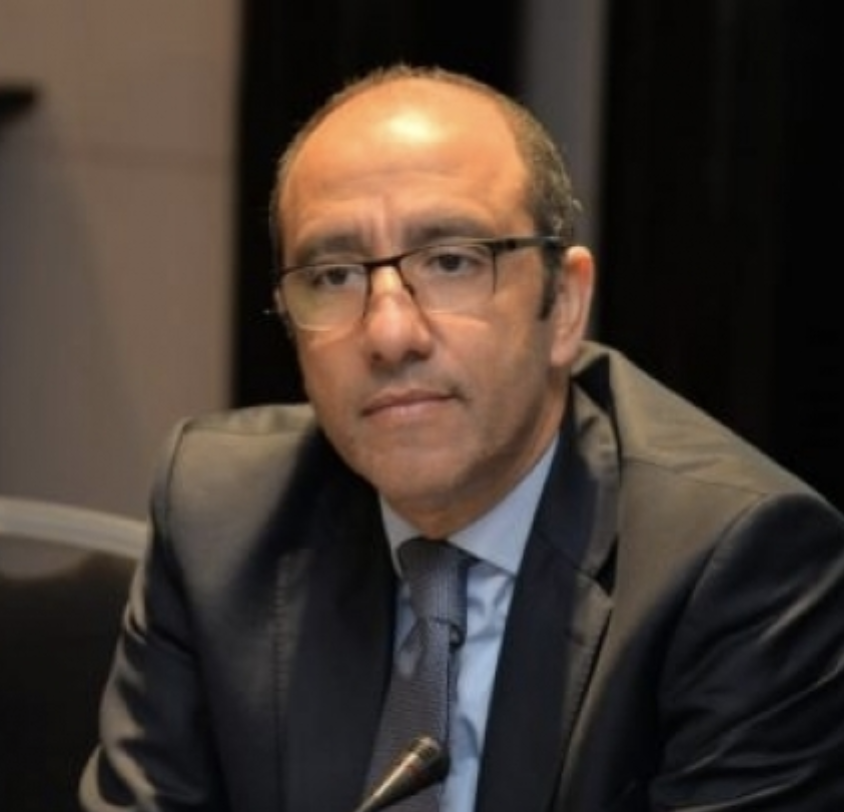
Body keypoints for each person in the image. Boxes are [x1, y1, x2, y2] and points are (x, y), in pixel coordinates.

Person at [79, 63, 844, 812]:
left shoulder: (740, 566)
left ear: (565, 304)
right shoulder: (219, 516)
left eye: (451, 262)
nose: (389, 334)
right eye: (334, 276)